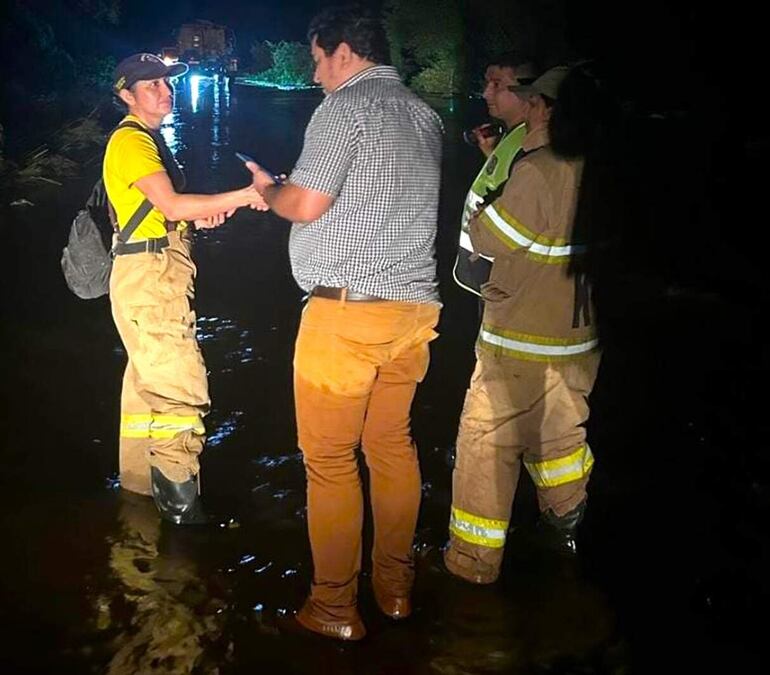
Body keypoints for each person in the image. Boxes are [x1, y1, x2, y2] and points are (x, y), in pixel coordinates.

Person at [247, 5, 443, 640]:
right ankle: (394, 591)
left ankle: (334, 607)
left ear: (340, 52)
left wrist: (269, 189)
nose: (313, 72)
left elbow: (305, 204)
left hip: (347, 315)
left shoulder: (345, 109)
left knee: (329, 461)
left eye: (314, 58)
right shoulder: (424, 114)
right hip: (415, 312)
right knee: (392, 448)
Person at [443, 66, 601, 584]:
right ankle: (567, 530)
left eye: (534, 103)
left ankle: (472, 569)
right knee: (561, 440)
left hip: (519, 340)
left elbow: (489, 237)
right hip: (579, 340)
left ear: (547, 109)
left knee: (486, 445)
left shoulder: (539, 170)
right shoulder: (601, 169)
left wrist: (490, 199)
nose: (527, 109)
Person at [104, 53, 265, 524]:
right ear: (126, 95)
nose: (164, 91)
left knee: (145, 392)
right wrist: (246, 194)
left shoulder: (146, 141)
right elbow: (171, 203)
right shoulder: (133, 141)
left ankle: (137, 505)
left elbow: (168, 210)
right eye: (151, 85)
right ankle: (182, 524)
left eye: (166, 83)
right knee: (179, 393)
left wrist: (202, 214)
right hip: (151, 278)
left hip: (146, 270)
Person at [453, 53, 540, 296]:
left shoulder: (530, 143)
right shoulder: (513, 136)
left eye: (497, 85)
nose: (486, 94)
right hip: (488, 273)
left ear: (526, 91)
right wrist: (490, 153)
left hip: (501, 282)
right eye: (487, 84)